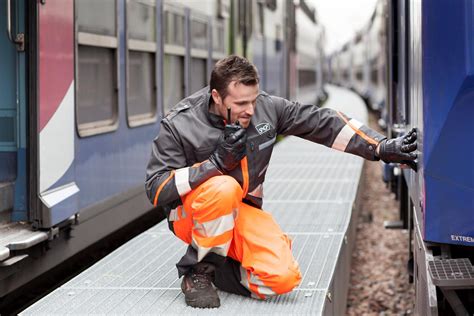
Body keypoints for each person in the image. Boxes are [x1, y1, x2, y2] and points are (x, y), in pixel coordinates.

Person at [145, 55, 417, 308]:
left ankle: (220, 268)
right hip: (191, 216)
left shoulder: (266, 108)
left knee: (283, 278)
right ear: (216, 96)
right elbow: (156, 188)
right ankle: (198, 273)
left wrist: (379, 146)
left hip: (240, 210)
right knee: (223, 187)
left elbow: (322, 122)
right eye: (240, 104)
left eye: (253, 100)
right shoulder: (180, 124)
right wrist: (214, 164)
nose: (250, 110)